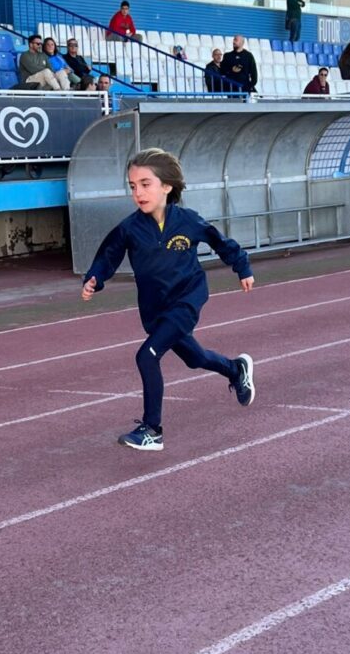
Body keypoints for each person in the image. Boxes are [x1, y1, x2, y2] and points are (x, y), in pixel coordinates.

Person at [81, 147, 255, 451]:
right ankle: (235, 369)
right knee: (195, 358)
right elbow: (106, 257)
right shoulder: (129, 228)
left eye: (145, 184)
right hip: (154, 309)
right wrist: (94, 279)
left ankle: (152, 430)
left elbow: (220, 242)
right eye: (133, 186)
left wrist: (241, 266)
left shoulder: (187, 221)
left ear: (167, 186)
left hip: (187, 300)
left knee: (146, 356)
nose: (138, 192)